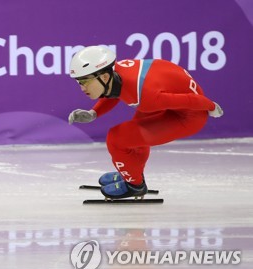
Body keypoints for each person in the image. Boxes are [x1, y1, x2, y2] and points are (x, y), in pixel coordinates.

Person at [68, 46, 223, 199]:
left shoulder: (147, 97)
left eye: (85, 81)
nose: (82, 88)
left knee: (117, 138)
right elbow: (112, 92)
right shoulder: (116, 74)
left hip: (189, 117)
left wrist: (211, 106)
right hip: (164, 92)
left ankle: (134, 185)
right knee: (134, 136)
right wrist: (93, 113)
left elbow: (191, 100)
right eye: (78, 82)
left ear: (105, 77)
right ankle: (131, 173)